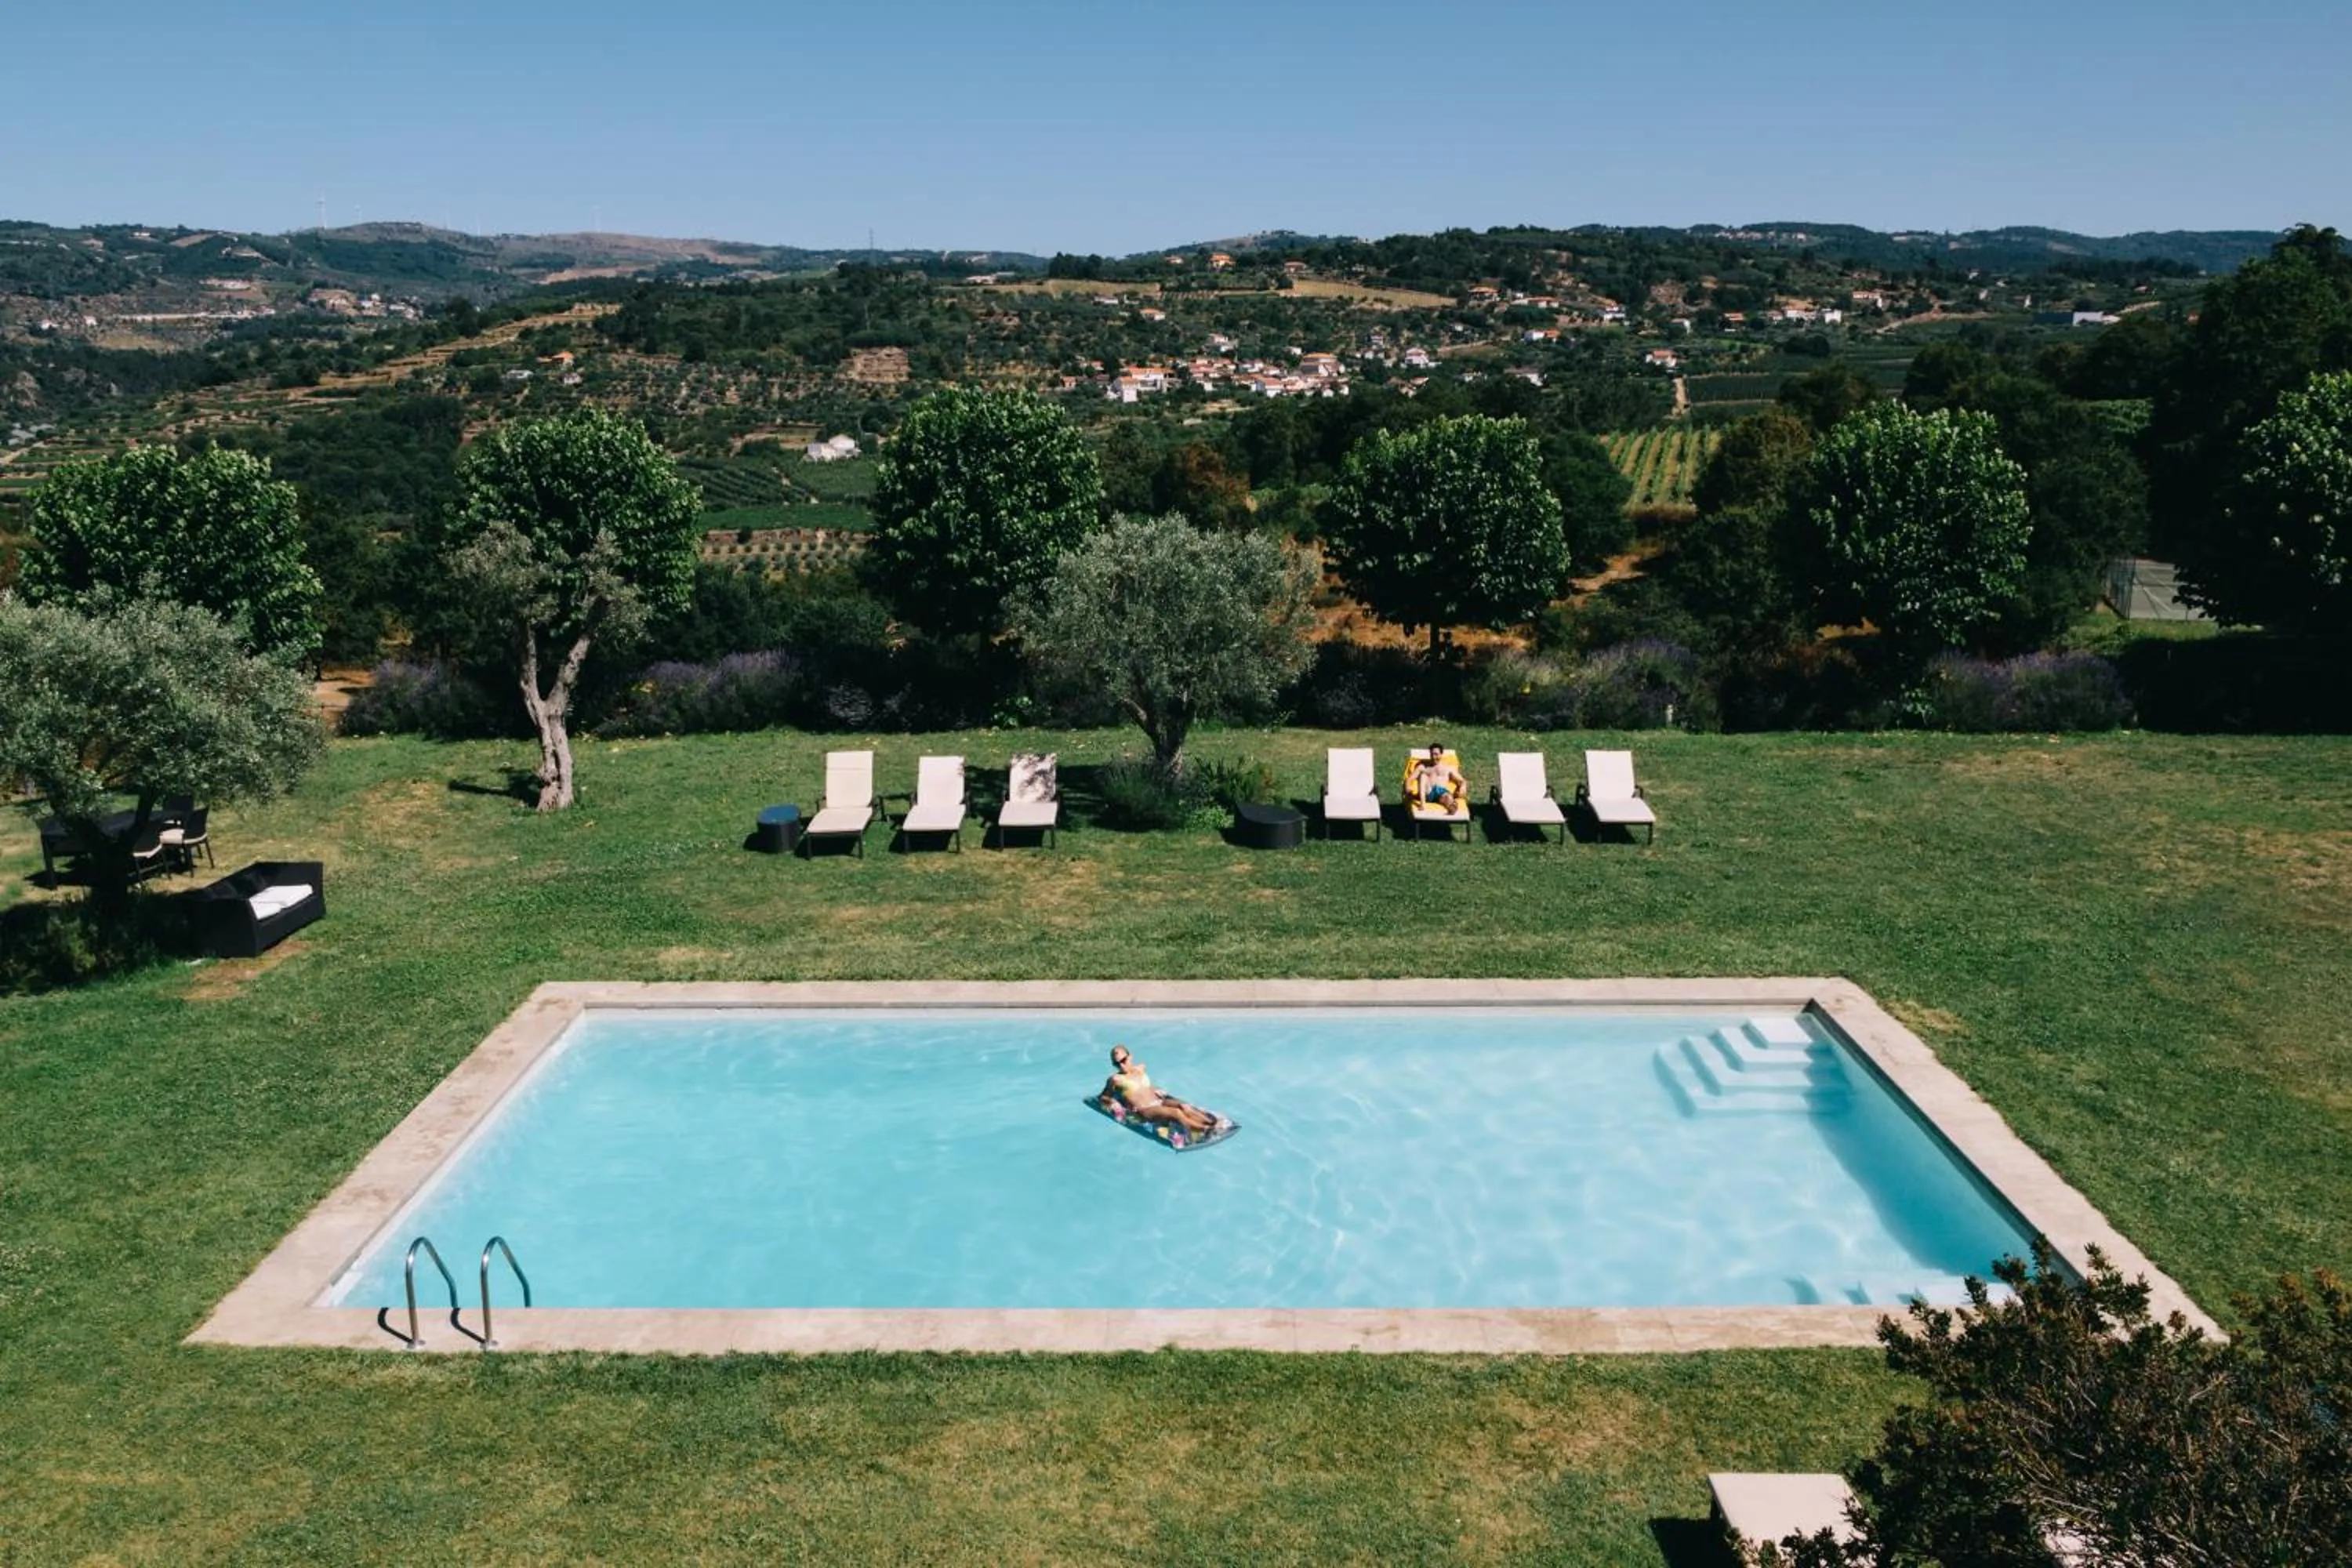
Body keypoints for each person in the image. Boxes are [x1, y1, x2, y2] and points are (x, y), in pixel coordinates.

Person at [1098, 1044, 1220, 1135]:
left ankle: (1212, 1123)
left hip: (1159, 1101)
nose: (1121, 1065)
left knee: (1184, 1106)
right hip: (1145, 1110)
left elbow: (1144, 1087)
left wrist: (1156, 1089)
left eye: (1123, 1060)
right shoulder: (1115, 1079)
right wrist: (1112, 1102)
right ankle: (1206, 1130)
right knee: (1176, 1113)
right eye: (1116, 1063)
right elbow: (1103, 1097)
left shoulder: (1141, 1068)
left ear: (1130, 1057)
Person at [1410, 743, 1465, 808]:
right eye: (1432, 754)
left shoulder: (1448, 768)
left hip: (1440, 793)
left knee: (1448, 797)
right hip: (1427, 793)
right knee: (1423, 775)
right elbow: (1410, 779)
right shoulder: (1422, 767)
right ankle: (1422, 804)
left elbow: (1461, 780)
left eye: (1436, 754)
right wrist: (1407, 788)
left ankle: (1451, 806)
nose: (1434, 757)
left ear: (1441, 754)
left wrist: (1463, 787)